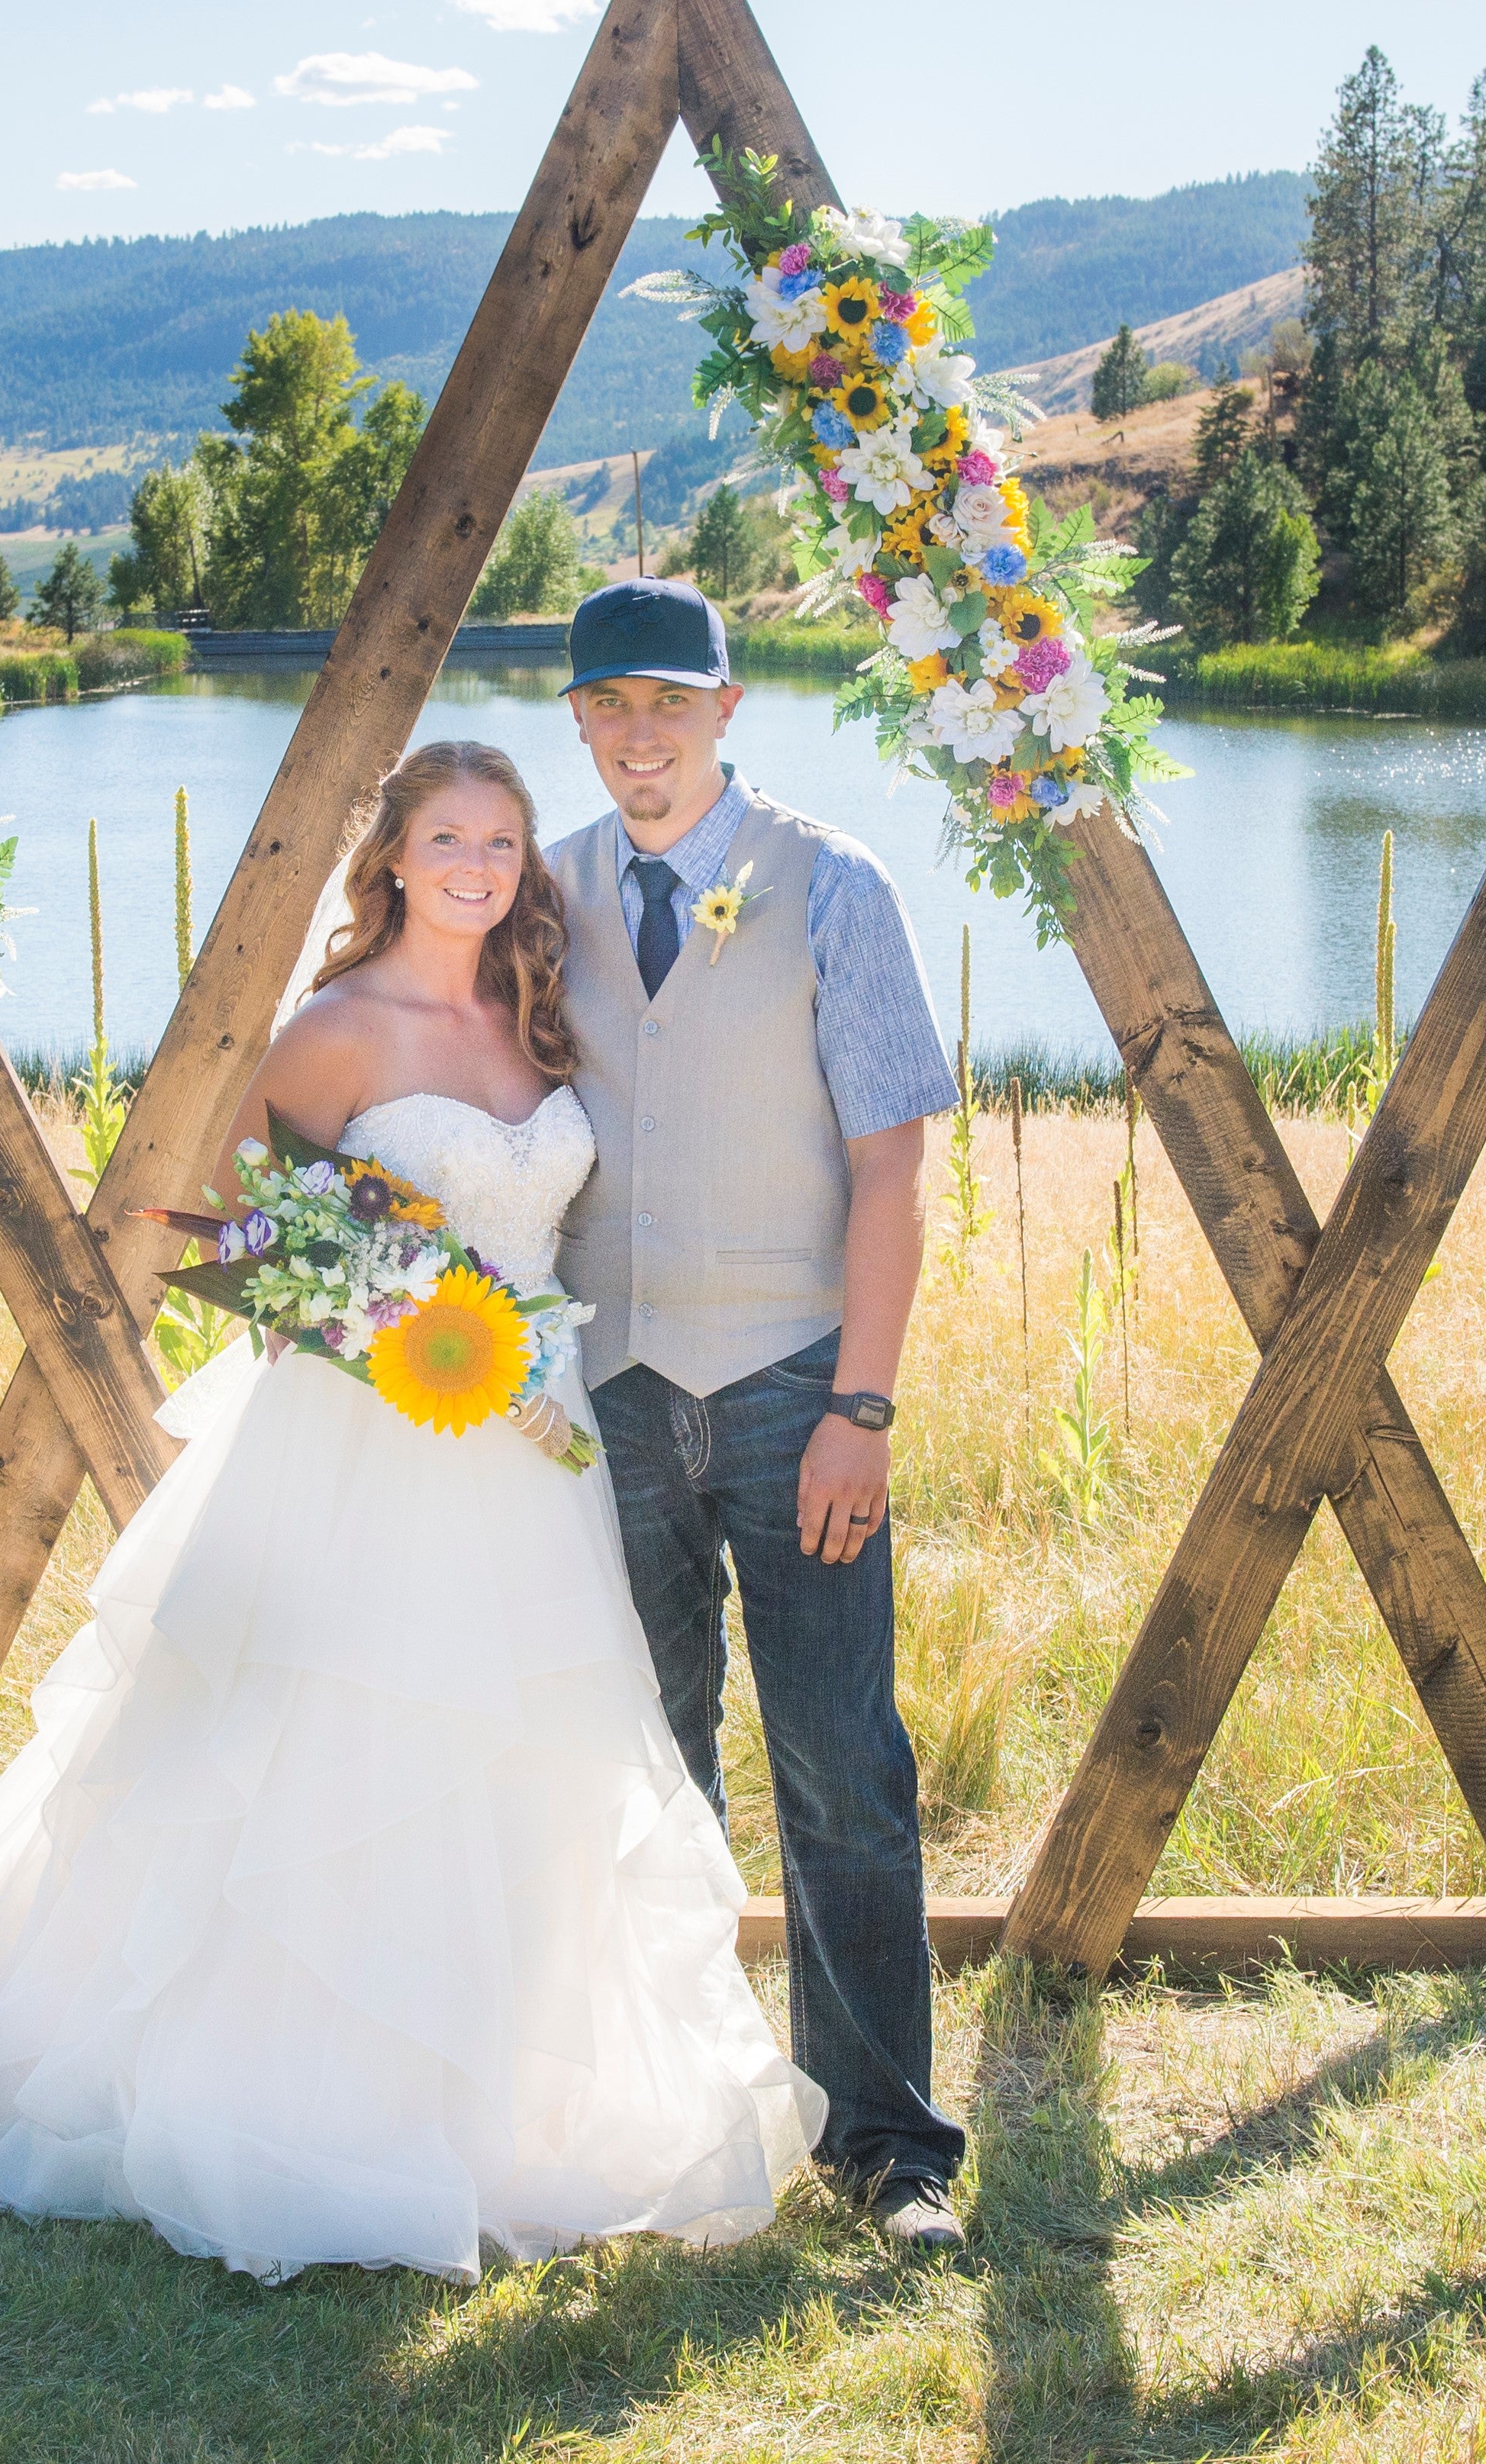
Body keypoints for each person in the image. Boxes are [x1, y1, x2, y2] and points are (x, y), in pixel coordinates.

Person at [0, 739, 823, 2282]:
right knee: (336, 1749)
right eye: (447, 836)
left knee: (512, 1752)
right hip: (371, 1454)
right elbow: (236, 1245)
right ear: (396, 857)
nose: (479, 863)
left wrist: (507, 1349)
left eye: (500, 839)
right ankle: (305, 2090)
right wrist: (389, 1315)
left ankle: (490, 2090)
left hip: (530, 1462)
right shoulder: (335, 1030)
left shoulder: (534, 1018)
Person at [545, 575, 969, 2254]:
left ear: (728, 706)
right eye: (606, 705)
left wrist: (860, 1402)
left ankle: (887, 2147)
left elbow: (891, 1165)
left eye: (668, 700)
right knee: (638, 1764)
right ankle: (668, 2114)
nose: (637, 734)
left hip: (797, 1384)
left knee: (839, 1768)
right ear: (574, 720)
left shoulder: (832, 884)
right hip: (607, 1393)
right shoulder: (538, 891)